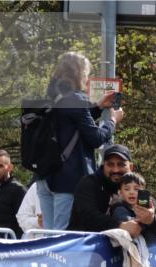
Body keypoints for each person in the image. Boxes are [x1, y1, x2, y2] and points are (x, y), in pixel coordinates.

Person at [37, 52, 122, 230]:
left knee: (49, 235)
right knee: (62, 235)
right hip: (67, 178)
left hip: (44, 176)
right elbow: (95, 138)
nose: (87, 76)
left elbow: (70, 123)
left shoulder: (51, 97)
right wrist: (112, 121)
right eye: (86, 72)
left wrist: (97, 107)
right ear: (79, 73)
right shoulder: (77, 99)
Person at [69, 144, 156, 242]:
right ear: (103, 165)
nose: (115, 169)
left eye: (121, 164)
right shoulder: (89, 183)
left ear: (130, 167)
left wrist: (152, 219)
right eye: (110, 164)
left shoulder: (138, 188)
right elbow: (88, 217)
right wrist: (120, 226)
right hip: (83, 249)